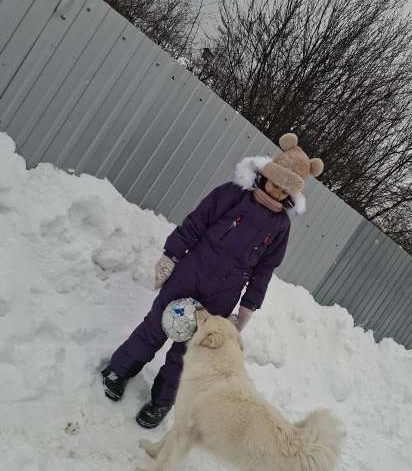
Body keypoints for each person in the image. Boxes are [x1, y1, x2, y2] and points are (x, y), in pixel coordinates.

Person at [101, 132, 324, 428]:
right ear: (266, 174)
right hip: (190, 272)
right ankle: (119, 370)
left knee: (190, 349)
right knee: (155, 326)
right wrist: (171, 255)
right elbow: (196, 222)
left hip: (223, 295)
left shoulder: (280, 226)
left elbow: (264, 270)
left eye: (285, 191)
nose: (277, 192)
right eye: (275, 183)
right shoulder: (233, 194)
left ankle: (162, 401)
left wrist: (247, 309)